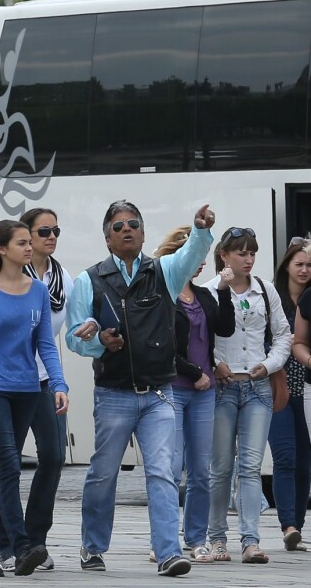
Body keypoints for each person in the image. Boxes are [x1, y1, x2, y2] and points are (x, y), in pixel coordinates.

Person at [65, 200, 215, 577]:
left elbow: (192, 253)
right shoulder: (89, 280)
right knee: (103, 474)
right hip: (113, 393)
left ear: (144, 233)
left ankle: (168, 553)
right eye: (118, 226)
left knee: (162, 472)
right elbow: (73, 338)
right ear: (107, 237)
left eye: (133, 223)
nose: (126, 229)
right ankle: (92, 546)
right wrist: (98, 339)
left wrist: (200, 230)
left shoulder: (163, 271)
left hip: (158, 394)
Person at [0, 219, 69, 578]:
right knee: (9, 464)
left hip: (28, 390)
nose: (28, 247)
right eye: (21, 242)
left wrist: (59, 383)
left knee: (5, 469)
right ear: (2, 249)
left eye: (27, 242)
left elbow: (46, 344)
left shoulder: (37, 291)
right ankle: (21, 547)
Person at [202, 227, 290, 565]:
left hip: (258, 388)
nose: (249, 259)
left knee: (252, 467)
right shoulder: (209, 291)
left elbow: (283, 334)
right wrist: (214, 363)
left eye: (252, 253)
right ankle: (217, 540)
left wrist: (268, 365)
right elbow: (199, 339)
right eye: (241, 253)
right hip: (222, 388)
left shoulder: (266, 290)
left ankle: (250, 541)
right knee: (220, 468)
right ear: (224, 256)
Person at [152, 227, 235, 565]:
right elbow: (163, 348)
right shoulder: (162, 294)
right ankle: (165, 540)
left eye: (202, 258)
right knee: (169, 469)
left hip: (204, 393)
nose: (200, 263)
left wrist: (226, 291)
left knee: (201, 469)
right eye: (194, 256)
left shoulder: (203, 295)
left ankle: (196, 538)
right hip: (174, 388)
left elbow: (225, 329)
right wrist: (195, 373)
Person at [0, 208, 73, 573]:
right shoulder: (8, 279)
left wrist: (90, 329)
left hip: (43, 380)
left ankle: (34, 541)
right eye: (43, 231)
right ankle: (4, 543)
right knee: (9, 463)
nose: (50, 237)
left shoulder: (62, 279)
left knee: (54, 457)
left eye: (55, 230)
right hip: (8, 381)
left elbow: (65, 333)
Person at [267, 240, 311, 552]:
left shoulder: (309, 301)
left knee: (305, 462)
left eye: (309, 265)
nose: (305, 270)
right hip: (278, 389)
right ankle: (288, 525)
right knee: (285, 457)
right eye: (299, 264)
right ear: (287, 267)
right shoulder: (273, 299)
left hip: (305, 390)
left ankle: (298, 524)